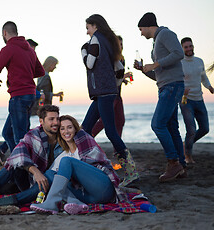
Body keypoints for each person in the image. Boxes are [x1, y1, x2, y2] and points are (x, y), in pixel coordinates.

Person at [0, 105, 64, 211]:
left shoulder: (64, 136)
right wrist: (35, 171)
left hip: (50, 183)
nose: (56, 122)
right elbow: (18, 152)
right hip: (32, 180)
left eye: (57, 119)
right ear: (41, 121)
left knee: (46, 179)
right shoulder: (34, 135)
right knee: (13, 164)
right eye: (51, 119)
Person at [80, 14, 139, 187]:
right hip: (106, 93)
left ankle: (131, 173)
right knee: (85, 130)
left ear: (95, 26)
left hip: (102, 92)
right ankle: (87, 165)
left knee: (111, 132)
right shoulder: (110, 41)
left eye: (87, 28)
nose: (87, 32)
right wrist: (114, 86)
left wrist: (83, 51)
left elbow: (89, 64)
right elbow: (119, 68)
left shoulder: (96, 39)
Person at [30, 115, 127, 214]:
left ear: (75, 129)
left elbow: (99, 163)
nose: (66, 131)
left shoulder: (84, 142)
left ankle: (52, 203)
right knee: (50, 174)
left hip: (103, 188)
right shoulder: (63, 156)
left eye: (69, 127)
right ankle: (76, 203)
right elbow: (50, 178)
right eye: (62, 129)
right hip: (87, 197)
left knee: (67, 161)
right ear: (59, 133)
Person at [134, 12, 186, 182]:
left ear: (148, 25)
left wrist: (155, 64)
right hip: (165, 86)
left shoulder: (166, 34)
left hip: (172, 86)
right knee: (171, 127)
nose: (141, 33)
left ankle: (173, 163)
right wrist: (144, 70)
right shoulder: (156, 43)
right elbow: (159, 75)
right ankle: (181, 165)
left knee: (157, 124)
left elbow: (179, 53)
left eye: (141, 29)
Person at [0, 21, 45, 163]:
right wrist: (24, 73)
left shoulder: (8, 49)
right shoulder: (30, 50)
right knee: (7, 133)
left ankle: (23, 165)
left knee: (19, 137)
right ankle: (19, 161)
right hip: (30, 95)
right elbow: (40, 71)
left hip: (19, 95)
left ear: (4, 33)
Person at [179, 37, 213, 163]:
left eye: (190, 46)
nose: (189, 49)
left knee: (205, 129)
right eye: (186, 47)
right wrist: (183, 90)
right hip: (185, 101)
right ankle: (188, 155)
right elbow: (177, 80)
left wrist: (209, 86)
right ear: (182, 49)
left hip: (199, 99)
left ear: (193, 46)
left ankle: (186, 144)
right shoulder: (180, 63)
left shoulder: (199, 61)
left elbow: (203, 77)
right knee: (191, 130)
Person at [91, 35, 133, 138]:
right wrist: (124, 75)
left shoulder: (121, 58)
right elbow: (108, 76)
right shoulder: (109, 57)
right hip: (110, 94)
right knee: (104, 121)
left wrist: (122, 79)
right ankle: (88, 138)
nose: (121, 46)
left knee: (120, 121)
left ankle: (117, 150)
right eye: (119, 44)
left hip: (117, 94)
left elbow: (116, 76)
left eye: (122, 44)